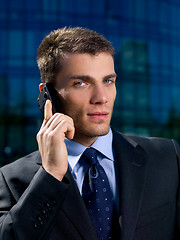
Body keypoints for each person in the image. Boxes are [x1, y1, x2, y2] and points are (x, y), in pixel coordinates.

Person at [0, 27, 180, 240]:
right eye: (81, 83)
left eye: (108, 81)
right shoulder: (10, 180)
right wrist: (50, 176)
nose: (101, 97)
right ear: (47, 95)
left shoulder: (168, 157)